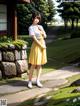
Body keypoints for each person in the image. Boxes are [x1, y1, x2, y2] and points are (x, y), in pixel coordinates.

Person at [28, 12, 47, 89]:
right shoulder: (31, 27)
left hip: (42, 44)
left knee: (39, 64)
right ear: (33, 18)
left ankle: (38, 80)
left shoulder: (40, 26)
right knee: (33, 64)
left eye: (38, 18)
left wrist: (42, 32)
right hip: (36, 45)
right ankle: (29, 81)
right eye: (36, 18)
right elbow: (34, 39)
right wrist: (41, 45)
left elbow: (45, 36)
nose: (37, 20)